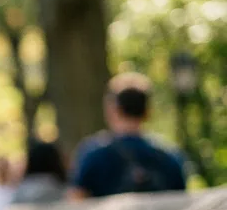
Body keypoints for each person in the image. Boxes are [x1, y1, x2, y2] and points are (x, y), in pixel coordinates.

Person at [68, 72, 187, 200]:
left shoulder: (92, 154)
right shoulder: (170, 156)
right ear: (147, 111)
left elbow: (76, 201)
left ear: (113, 109)